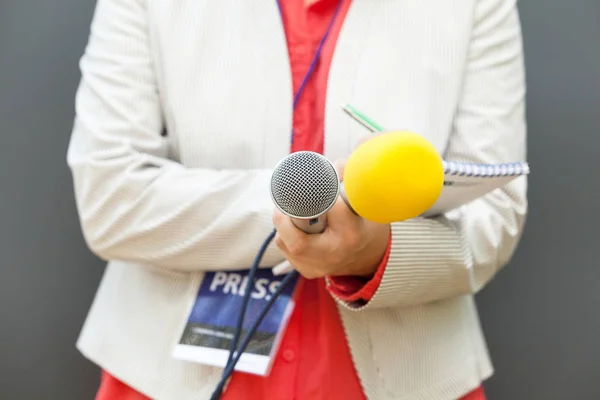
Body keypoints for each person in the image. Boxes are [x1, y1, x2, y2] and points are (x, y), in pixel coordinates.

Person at [66, 0, 527, 398]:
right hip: (164, 378)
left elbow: (494, 213)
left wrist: (378, 252)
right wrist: (305, 203)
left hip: (410, 378)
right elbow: (111, 201)